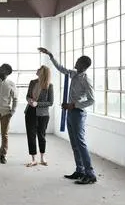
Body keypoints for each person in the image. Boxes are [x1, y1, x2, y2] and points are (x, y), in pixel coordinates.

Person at [38, 47, 96, 185]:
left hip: (78, 114)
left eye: (78, 61)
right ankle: (80, 171)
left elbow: (92, 99)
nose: (75, 62)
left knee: (81, 143)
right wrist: (51, 55)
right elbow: (60, 68)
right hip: (70, 113)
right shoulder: (74, 74)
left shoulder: (86, 80)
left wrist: (74, 105)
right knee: (75, 144)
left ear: (83, 65)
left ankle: (90, 174)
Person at [24, 65, 54, 167]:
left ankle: (42, 157)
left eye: (39, 69)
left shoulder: (49, 86)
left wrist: (38, 104)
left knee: (41, 135)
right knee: (31, 135)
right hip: (30, 112)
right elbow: (28, 96)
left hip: (43, 114)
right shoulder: (32, 82)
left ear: (44, 72)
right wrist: (30, 100)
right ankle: (33, 159)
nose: (37, 70)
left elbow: (50, 102)